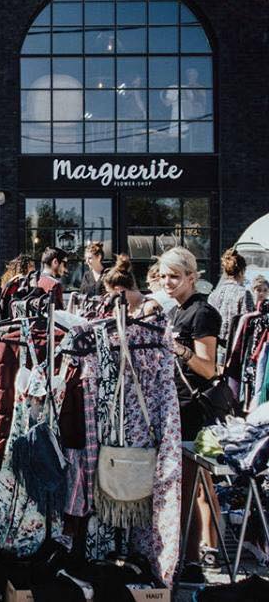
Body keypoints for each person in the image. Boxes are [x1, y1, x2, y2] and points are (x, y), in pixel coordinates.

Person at [158, 247, 222, 582]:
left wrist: (178, 349)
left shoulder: (202, 313)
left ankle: (197, 557)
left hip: (193, 409)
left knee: (194, 484)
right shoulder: (177, 311)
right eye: (164, 276)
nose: (168, 282)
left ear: (192, 277)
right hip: (178, 405)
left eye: (175, 276)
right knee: (193, 484)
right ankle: (200, 552)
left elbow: (209, 368)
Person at [207, 248, 255, 351]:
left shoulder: (214, 294)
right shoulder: (244, 294)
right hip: (235, 348)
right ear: (242, 272)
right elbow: (248, 324)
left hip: (215, 346)